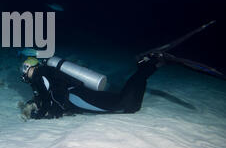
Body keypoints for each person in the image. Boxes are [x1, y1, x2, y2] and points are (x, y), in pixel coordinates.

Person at [20, 21, 225, 120]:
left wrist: (42, 115)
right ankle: (151, 64)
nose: (24, 72)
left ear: (31, 67)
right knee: (126, 104)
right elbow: (51, 92)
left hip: (76, 97)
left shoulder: (40, 75)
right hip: (78, 94)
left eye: (25, 68)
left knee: (124, 105)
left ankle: (148, 63)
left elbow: (53, 99)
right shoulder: (44, 72)